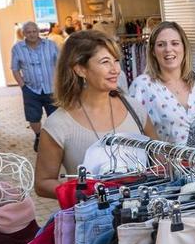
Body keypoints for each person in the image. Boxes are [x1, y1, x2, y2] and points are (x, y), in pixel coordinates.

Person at [35, 30, 157, 199]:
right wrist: (82, 191)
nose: (115, 69)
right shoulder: (58, 124)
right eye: (105, 62)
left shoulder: (135, 109)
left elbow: (161, 160)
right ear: (80, 69)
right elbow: (42, 183)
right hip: (93, 220)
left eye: (115, 61)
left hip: (144, 217)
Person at [128, 21, 195, 144]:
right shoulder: (142, 86)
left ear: (184, 47)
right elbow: (134, 135)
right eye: (161, 45)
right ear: (152, 51)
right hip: (166, 162)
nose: (168, 49)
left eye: (175, 43)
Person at [12, 21, 60, 151]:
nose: (32, 34)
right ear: (24, 34)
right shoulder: (17, 48)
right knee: (33, 117)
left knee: (56, 117)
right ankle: (39, 136)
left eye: (34, 31)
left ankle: (55, 139)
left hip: (52, 88)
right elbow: (15, 68)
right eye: (28, 32)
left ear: (38, 31)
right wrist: (23, 86)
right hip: (31, 89)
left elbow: (61, 64)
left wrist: (60, 83)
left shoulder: (51, 45)